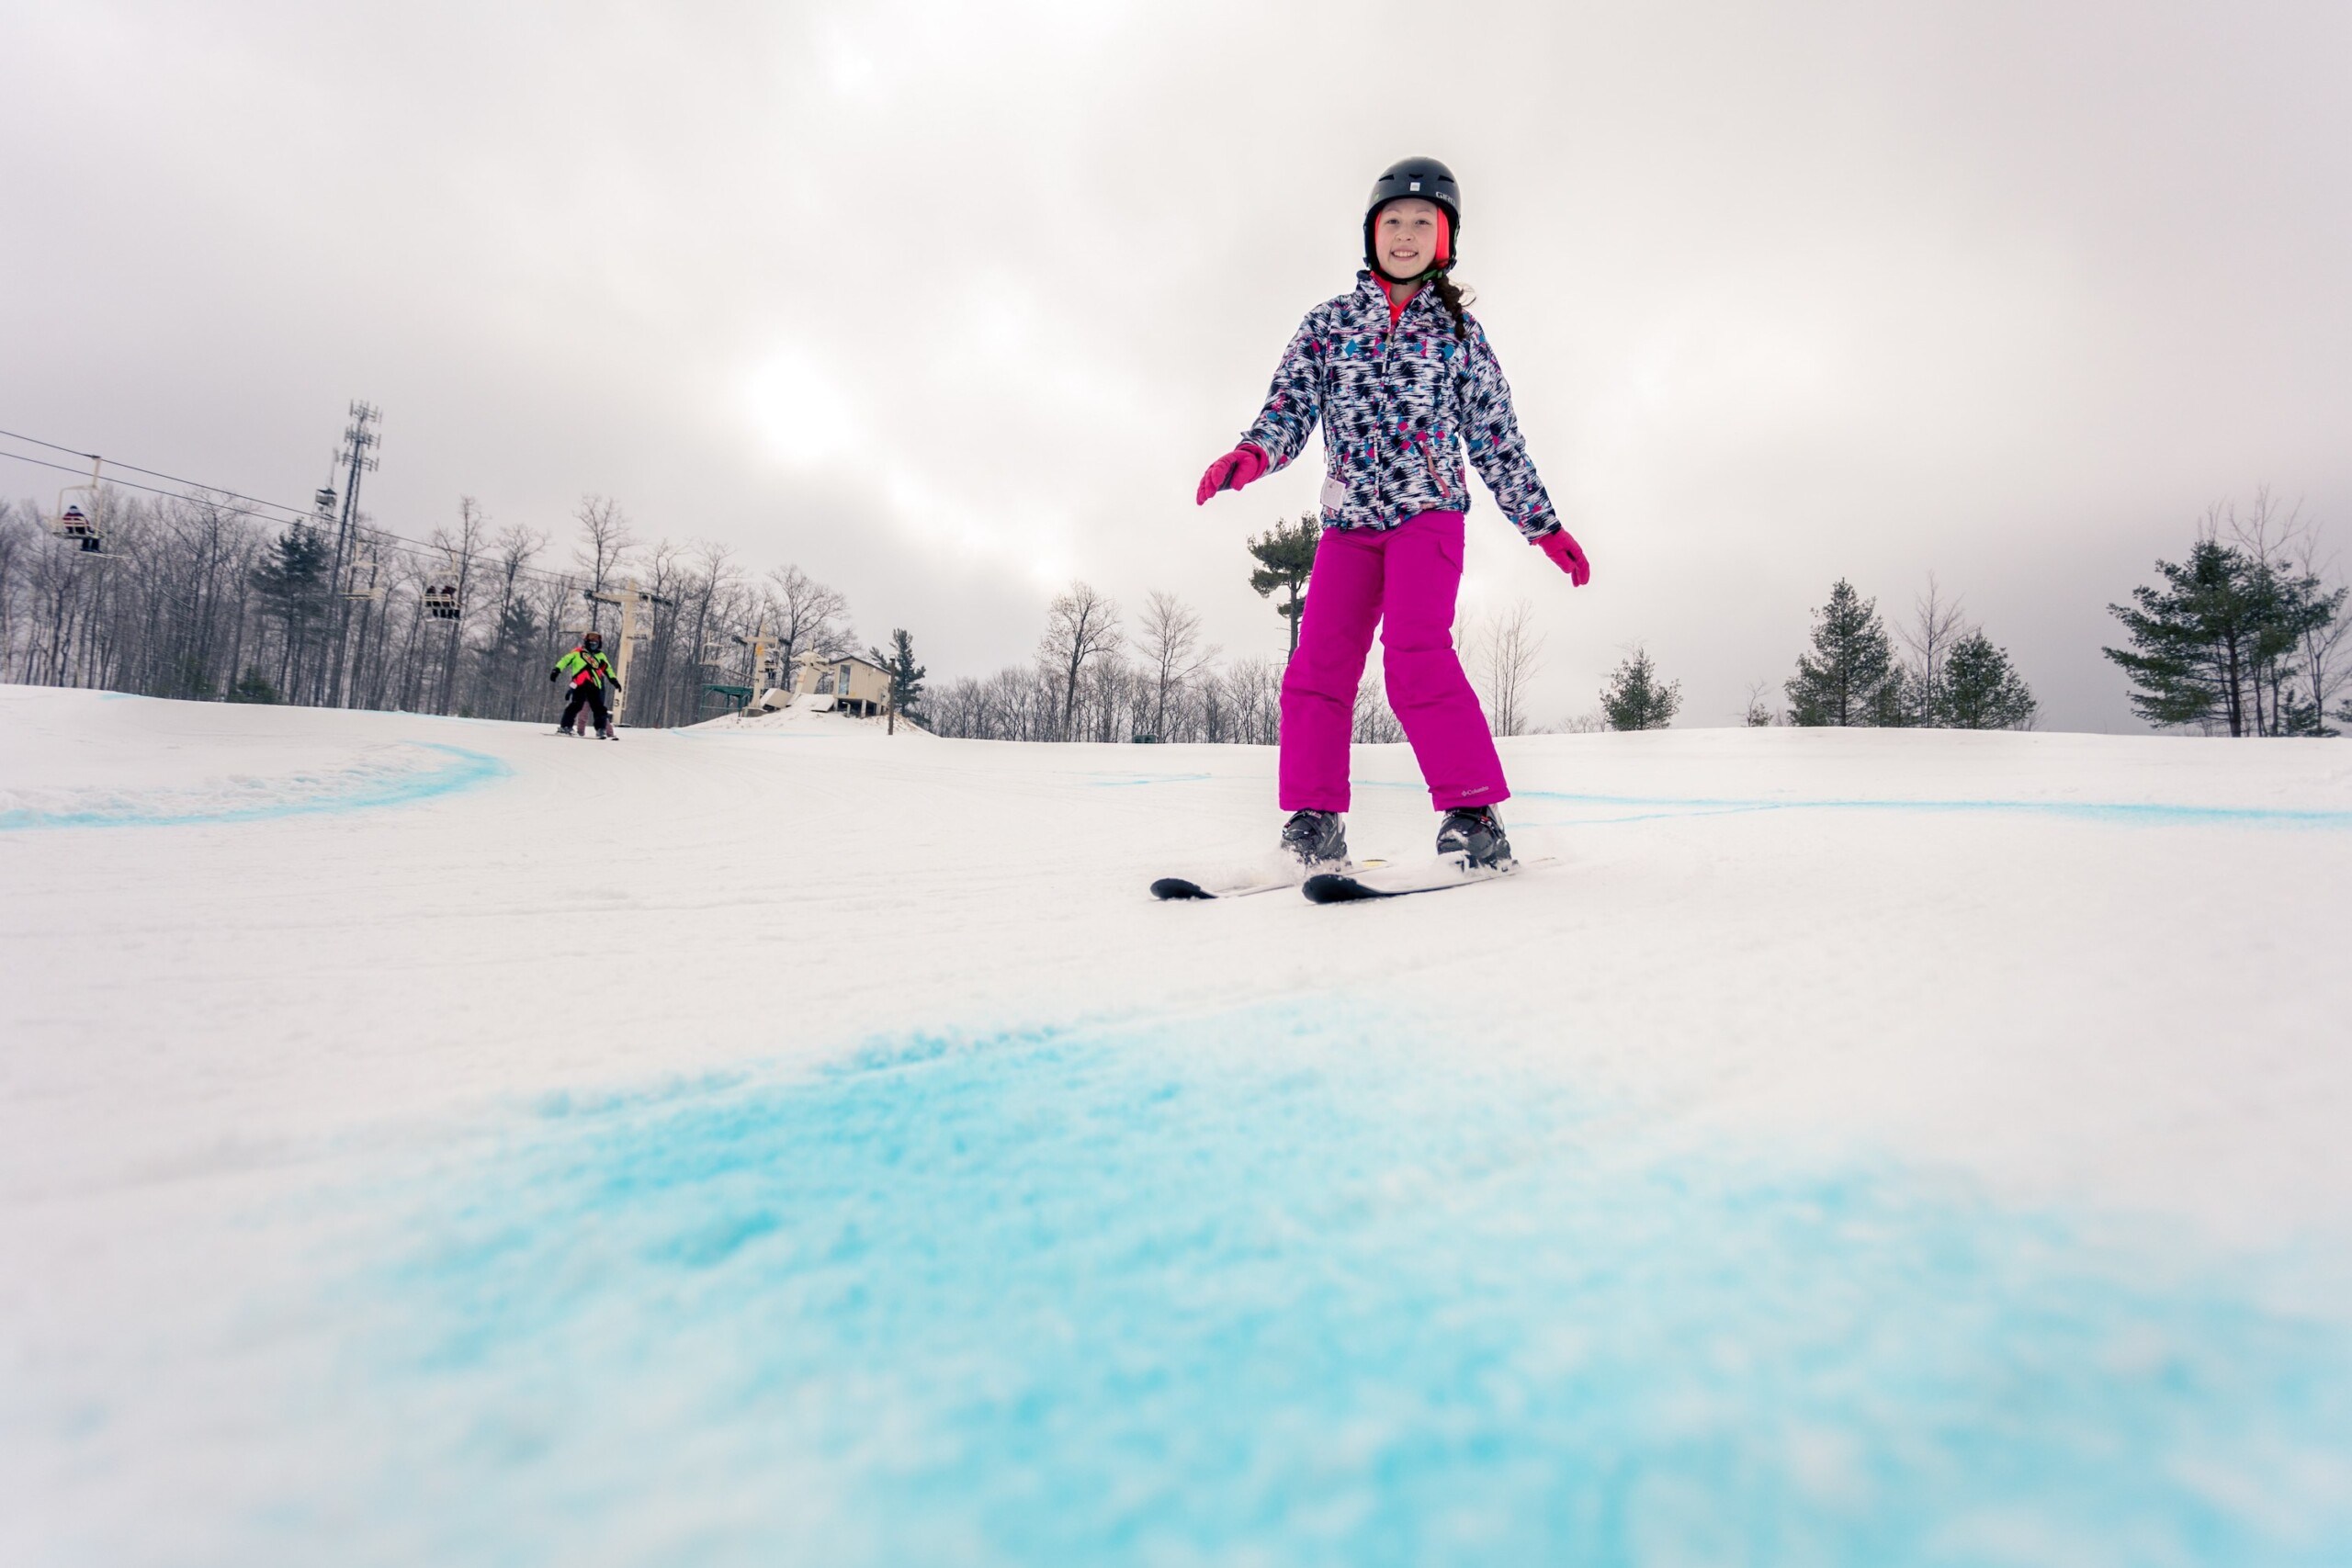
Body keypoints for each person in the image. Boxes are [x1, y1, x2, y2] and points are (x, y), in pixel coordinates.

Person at [1195, 155, 1589, 874]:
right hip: (1349, 525)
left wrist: (1544, 526)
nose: (1404, 234)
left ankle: (1473, 815)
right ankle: (1315, 819)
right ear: (1371, 233)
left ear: (1444, 242)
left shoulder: (1460, 338)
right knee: (1317, 667)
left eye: (1421, 223)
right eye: (1392, 221)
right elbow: (1287, 409)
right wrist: (1251, 455)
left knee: (1414, 654)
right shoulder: (1329, 324)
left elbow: (1498, 440)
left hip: (1426, 517)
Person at [550, 631, 620, 738]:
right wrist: (556, 670)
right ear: (586, 642)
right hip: (580, 684)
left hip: (595, 686)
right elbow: (564, 661)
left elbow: (608, 669)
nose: (593, 644)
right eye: (591, 642)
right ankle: (566, 726)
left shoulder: (600, 656)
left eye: (596, 642)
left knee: (599, 708)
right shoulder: (578, 652)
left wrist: (614, 681)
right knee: (576, 705)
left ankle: (601, 729)